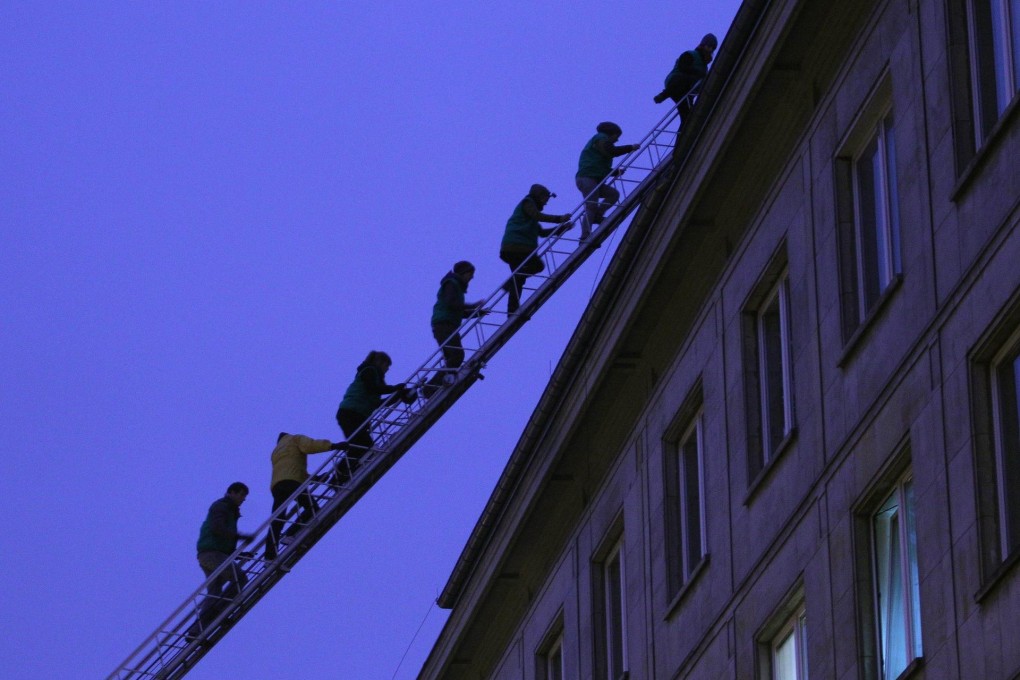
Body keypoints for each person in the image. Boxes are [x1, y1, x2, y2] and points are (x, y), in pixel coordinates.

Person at [265, 433, 344, 560]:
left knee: (278, 519)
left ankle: (269, 556)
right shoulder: (294, 439)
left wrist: (316, 478)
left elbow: (294, 470)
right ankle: (290, 534)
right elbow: (310, 446)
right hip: (293, 482)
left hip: (277, 485)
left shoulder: (276, 452)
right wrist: (332, 446)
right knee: (312, 508)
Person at [499, 184, 572, 314]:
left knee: (518, 280)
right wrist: (559, 219)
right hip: (518, 247)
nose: (546, 202)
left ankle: (512, 311)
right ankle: (510, 288)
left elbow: (542, 233)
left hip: (512, 248)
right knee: (536, 266)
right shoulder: (528, 203)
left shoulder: (529, 218)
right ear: (539, 196)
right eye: (545, 199)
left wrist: (561, 228)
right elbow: (538, 216)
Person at [335, 351, 407, 480]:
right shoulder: (369, 371)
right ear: (379, 362)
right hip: (351, 413)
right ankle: (340, 474)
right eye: (387, 366)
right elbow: (373, 389)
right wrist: (394, 389)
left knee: (362, 446)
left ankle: (342, 475)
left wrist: (397, 396)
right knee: (362, 445)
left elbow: (376, 402)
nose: (387, 370)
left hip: (354, 414)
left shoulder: (374, 378)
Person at [194, 482, 253, 632]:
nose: (243, 499)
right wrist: (241, 537)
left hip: (208, 553)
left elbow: (222, 535)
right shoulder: (222, 507)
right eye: (241, 495)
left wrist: (238, 554)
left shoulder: (228, 510)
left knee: (215, 591)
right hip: (213, 553)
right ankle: (217, 613)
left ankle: (198, 628)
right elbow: (218, 528)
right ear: (231, 492)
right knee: (240, 578)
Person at [424, 261, 486, 397]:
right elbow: (452, 304)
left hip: (445, 324)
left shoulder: (454, 286)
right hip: (444, 324)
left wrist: (478, 313)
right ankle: (430, 388)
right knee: (456, 355)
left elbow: (458, 310)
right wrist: (473, 306)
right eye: (471, 274)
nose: (472, 277)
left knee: (453, 357)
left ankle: (433, 388)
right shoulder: (452, 284)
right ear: (464, 273)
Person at [575, 122, 640, 239]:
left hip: (593, 178)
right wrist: (630, 148)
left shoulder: (598, 141)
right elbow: (610, 151)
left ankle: (597, 215)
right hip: (588, 178)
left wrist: (614, 172)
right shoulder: (601, 139)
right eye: (616, 137)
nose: (617, 140)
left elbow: (598, 164)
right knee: (591, 205)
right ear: (610, 134)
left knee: (613, 194)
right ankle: (585, 235)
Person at [653, 33, 719, 125]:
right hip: (676, 81)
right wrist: (698, 73)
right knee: (689, 79)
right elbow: (683, 67)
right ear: (704, 45)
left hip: (686, 91)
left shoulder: (705, 68)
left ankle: (683, 136)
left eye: (712, 48)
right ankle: (664, 94)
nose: (710, 49)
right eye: (709, 46)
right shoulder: (690, 54)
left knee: (687, 117)